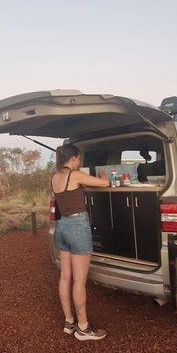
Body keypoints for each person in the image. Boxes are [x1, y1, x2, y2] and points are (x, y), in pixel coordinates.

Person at [51, 144, 110, 341]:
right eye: (79, 159)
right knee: (79, 280)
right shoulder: (74, 175)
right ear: (74, 159)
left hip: (62, 226)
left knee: (65, 277)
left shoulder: (55, 176)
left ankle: (69, 322)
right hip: (77, 226)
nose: (79, 161)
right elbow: (105, 184)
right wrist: (103, 173)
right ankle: (83, 328)